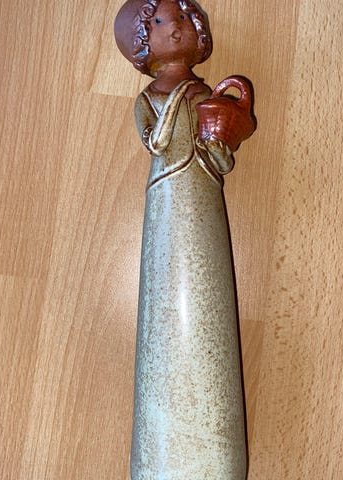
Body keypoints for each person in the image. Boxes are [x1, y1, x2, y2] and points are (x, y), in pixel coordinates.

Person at [115, 1, 248, 478]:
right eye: (161, 20)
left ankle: (212, 452)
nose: (178, 26)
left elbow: (220, 159)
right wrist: (186, 102)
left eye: (185, 18)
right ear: (142, 42)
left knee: (209, 289)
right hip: (168, 197)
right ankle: (166, 452)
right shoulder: (151, 98)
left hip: (204, 195)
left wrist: (222, 138)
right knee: (167, 295)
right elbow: (156, 142)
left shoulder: (204, 93)